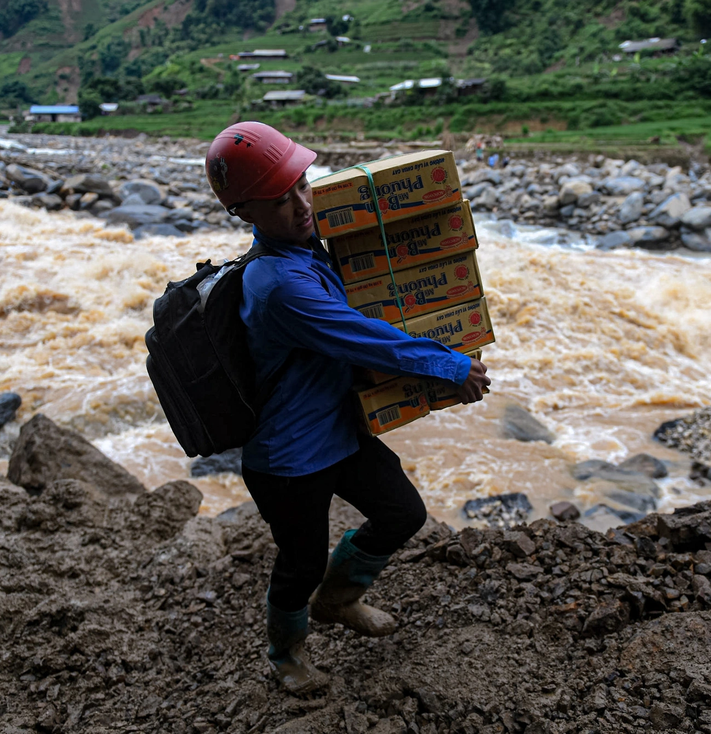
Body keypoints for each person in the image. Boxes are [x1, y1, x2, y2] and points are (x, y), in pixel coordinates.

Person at [204, 122, 491, 695]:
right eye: (280, 200)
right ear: (245, 213)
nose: (301, 205)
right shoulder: (279, 286)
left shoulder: (305, 247)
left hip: (338, 429)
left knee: (402, 513)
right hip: (288, 459)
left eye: (303, 188)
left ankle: (338, 599)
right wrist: (452, 366)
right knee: (300, 563)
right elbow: (367, 338)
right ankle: (285, 653)